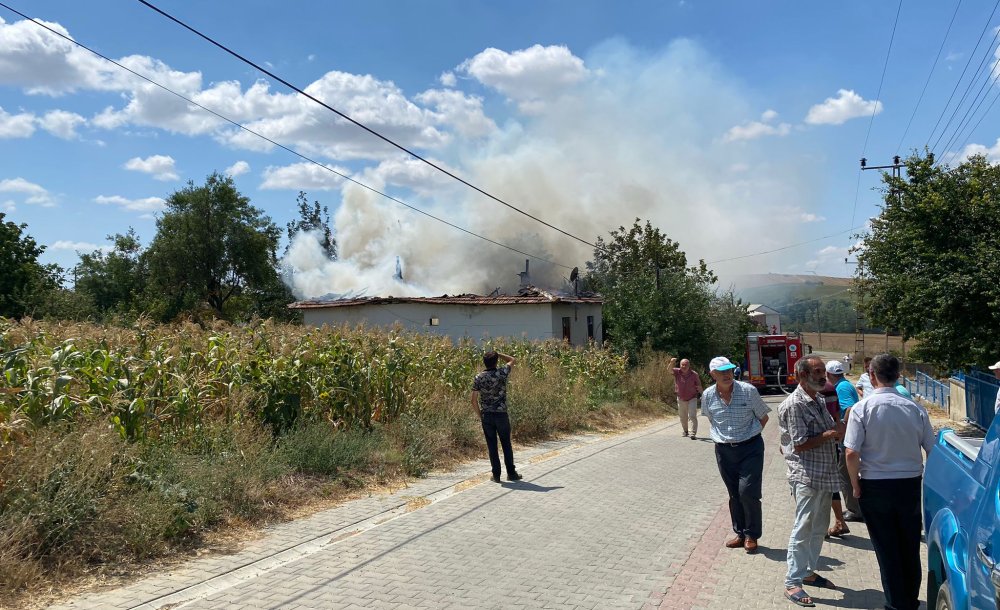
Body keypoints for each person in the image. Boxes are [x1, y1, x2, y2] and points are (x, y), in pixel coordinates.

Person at [845, 353, 935, 610]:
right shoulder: (915, 408)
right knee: (909, 545)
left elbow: (851, 453)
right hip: (909, 484)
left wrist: (855, 485)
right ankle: (910, 601)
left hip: (875, 485)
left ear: (871, 375)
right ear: (898, 376)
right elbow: (932, 449)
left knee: (887, 549)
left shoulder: (862, 408)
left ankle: (896, 604)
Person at [778, 356, 843, 607]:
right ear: (802, 376)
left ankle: (807, 571)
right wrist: (830, 433)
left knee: (819, 526)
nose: (822, 376)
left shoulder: (818, 399)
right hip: (806, 475)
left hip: (824, 473)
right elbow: (800, 444)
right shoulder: (796, 404)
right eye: (817, 372)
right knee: (803, 527)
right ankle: (792, 582)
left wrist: (838, 430)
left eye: (823, 371)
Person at [702, 356, 771, 554]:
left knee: (747, 492)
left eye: (729, 370)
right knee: (734, 493)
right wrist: (725, 438)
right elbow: (712, 419)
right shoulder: (707, 395)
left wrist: (749, 436)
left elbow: (764, 417)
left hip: (750, 448)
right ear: (712, 374)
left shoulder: (748, 391)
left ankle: (752, 535)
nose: (727, 375)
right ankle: (740, 533)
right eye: (722, 372)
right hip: (724, 450)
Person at [471, 350, 523, 483]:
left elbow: (473, 400)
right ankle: (511, 473)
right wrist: (498, 353)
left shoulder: (478, 377)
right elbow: (512, 360)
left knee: (492, 446)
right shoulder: (502, 372)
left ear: (484, 362)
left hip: (487, 415)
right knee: (506, 444)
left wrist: (480, 415)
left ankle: (496, 475)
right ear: (496, 361)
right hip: (501, 414)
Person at [825, 360, 863, 535]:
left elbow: (848, 408)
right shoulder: (845, 384)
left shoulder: (841, 388)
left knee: (844, 473)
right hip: (848, 436)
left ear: (829, 374)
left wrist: (843, 428)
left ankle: (854, 510)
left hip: (845, 438)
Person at [668, 356, 703, 439]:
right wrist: (671, 362)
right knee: (683, 417)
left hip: (692, 398)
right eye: (682, 365)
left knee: (692, 415)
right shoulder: (677, 372)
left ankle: (693, 433)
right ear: (680, 365)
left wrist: (703, 395)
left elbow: (699, 385)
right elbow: (669, 370)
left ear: (689, 365)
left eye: (686, 365)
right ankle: (685, 431)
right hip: (681, 398)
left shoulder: (694, 374)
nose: (684, 366)